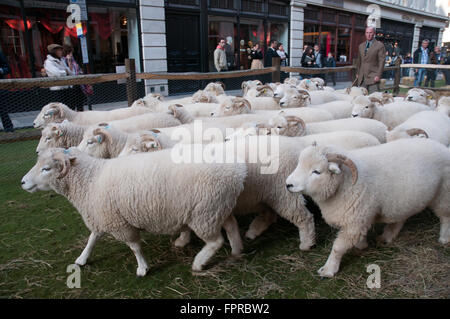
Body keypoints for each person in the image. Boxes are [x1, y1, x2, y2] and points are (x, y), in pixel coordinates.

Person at [44, 43, 83, 111]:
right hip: (57, 89)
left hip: (66, 88)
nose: (61, 52)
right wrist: (65, 72)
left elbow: (70, 72)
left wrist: (66, 71)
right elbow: (56, 73)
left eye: (61, 50)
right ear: (54, 52)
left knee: (69, 108)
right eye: (59, 50)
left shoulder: (61, 60)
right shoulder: (48, 62)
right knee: (59, 110)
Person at [356, 26, 385, 93]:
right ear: (365, 33)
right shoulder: (361, 46)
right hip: (362, 77)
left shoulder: (379, 45)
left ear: (374, 33)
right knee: (361, 99)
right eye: (367, 32)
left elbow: (382, 61)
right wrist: (358, 73)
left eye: (370, 32)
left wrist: (378, 75)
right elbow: (359, 61)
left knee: (374, 99)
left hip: (373, 76)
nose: (368, 34)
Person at [62, 44, 91, 111]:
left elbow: (78, 70)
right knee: (72, 104)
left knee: (80, 103)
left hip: (78, 84)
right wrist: (69, 61)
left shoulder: (73, 60)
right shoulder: (64, 61)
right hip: (71, 85)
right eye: (71, 52)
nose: (72, 54)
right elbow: (70, 71)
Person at [0, 49, 14, 132]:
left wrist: (0, 70)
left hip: (0, 86)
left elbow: (8, 68)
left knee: (2, 109)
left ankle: (9, 129)